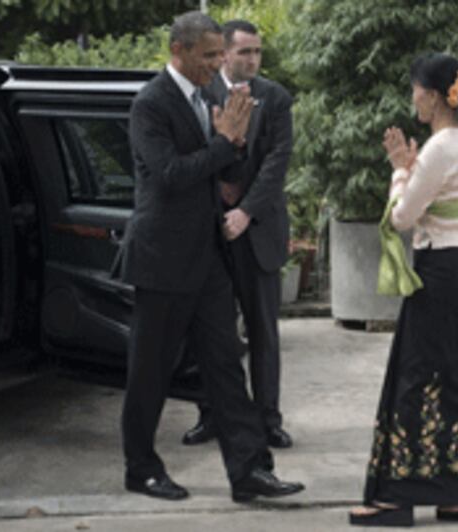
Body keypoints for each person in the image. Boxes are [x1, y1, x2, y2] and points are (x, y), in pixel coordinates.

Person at [119, 10, 303, 503]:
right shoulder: (151, 105)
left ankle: (249, 471)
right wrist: (224, 144)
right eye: (209, 56)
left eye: (222, 54)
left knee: (226, 366)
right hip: (163, 259)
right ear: (178, 51)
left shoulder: (209, 99)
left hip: (208, 259)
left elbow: (222, 169)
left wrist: (234, 146)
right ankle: (141, 467)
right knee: (150, 372)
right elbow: (171, 176)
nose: (217, 63)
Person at [349, 53, 458, 527]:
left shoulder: (439, 148)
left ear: (434, 96)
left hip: (439, 273)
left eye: (416, 88)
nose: (412, 96)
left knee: (414, 378)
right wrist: (414, 170)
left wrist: (399, 169)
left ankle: (397, 498)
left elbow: (401, 217)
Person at [181, 19, 294, 450]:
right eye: (244, 51)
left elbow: (277, 163)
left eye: (257, 52)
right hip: (209, 230)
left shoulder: (277, 98)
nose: (252, 59)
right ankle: (212, 414)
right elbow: (189, 159)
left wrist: (245, 210)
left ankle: (268, 419)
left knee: (263, 330)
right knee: (211, 331)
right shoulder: (199, 95)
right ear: (223, 53)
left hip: (258, 228)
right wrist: (218, 190)